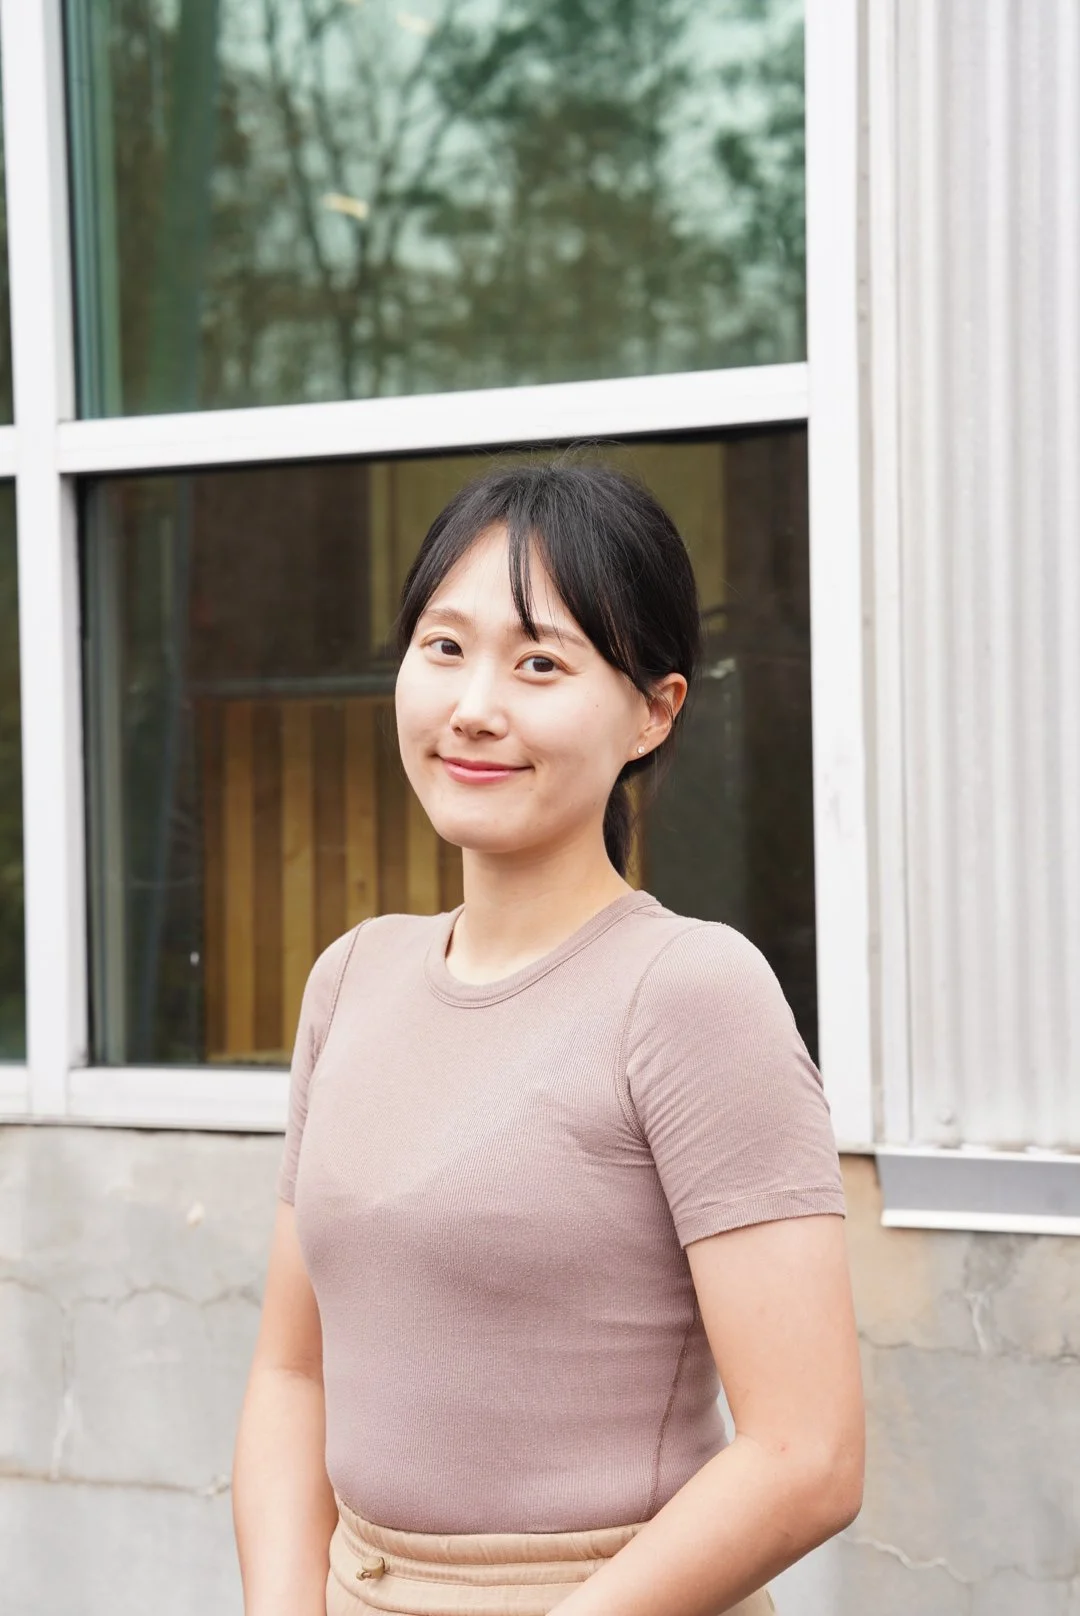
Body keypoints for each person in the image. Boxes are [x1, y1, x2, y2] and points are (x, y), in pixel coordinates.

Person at [232, 461, 865, 1616]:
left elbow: (807, 1455)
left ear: (654, 710)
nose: (475, 705)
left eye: (540, 663)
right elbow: (291, 1370)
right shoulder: (351, 978)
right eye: (444, 646)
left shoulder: (690, 991)